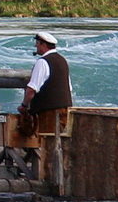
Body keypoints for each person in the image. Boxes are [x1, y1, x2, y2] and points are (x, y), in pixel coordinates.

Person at [14, 31, 74, 188]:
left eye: (37, 44)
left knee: (44, 143)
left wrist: (24, 106)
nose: (36, 46)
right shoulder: (62, 61)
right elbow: (68, 87)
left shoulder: (43, 62)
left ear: (43, 45)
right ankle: (57, 175)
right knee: (57, 142)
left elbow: (31, 89)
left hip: (48, 111)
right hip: (63, 109)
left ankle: (45, 178)